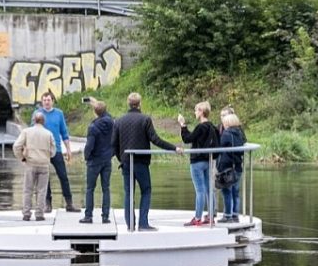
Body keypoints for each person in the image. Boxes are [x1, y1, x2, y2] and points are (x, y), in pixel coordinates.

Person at [112, 92, 182, 231]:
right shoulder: (145, 119)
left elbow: (114, 144)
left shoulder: (119, 121)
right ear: (140, 104)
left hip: (126, 163)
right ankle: (143, 224)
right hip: (141, 162)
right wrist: (174, 148)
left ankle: (130, 224)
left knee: (128, 193)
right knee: (146, 190)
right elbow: (155, 139)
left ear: (128, 103)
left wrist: (122, 158)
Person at [32, 92, 77, 213]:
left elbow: (64, 132)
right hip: (42, 151)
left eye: (48, 100)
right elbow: (32, 132)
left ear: (53, 101)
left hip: (56, 150)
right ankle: (48, 203)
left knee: (63, 176)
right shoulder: (37, 114)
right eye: (44, 100)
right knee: (44, 178)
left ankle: (69, 203)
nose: (46, 102)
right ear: (42, 101)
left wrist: (68, 149)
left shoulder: (59, 113)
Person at [179, 101, 220, 227]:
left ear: (201, 112)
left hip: (197, 162)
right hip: (208, 161)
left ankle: (197, 218)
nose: (195, 112)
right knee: (209, 189)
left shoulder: (201, 127)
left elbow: (187, 138)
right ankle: (211, 215)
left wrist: (182, 125)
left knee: (200, 191)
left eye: (196, 110)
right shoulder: (213, 127)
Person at [13, 112, 55, 222]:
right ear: (43, 121)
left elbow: (16, 146)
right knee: (42, 190)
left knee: (28, 190)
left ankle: (26, 214)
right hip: (44, 165)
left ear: (33, 120)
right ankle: (39, 214)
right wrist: (47, 156)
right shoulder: (48, 134)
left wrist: (22, 157)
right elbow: (53, 151)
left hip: (30, 164)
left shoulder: (26, 132)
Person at [81, 99, 114, 224]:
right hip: (107, 160)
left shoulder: (93, 127)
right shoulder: (111, 123)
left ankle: (88, 216)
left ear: (95, 112)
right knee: (106, 188)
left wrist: (86, 156)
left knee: (90, 188)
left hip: (94, 161)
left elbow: (89, 145)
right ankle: (105, 217)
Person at [217, 113, 245, 222]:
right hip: (237, 167)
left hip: (227, 168)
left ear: (227, 123)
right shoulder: (240, 134)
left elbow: (219, 146)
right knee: (235, 193)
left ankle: (227, 216)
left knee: (226, 192)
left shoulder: (226, 134)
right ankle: (235, 215)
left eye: (224, 123)